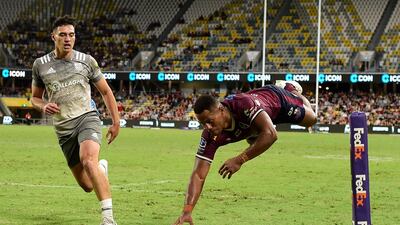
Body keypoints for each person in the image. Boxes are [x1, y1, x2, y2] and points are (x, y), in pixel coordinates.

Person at [173, 81, 317, 225]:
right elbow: (198, 174)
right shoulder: (209, 135)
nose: (208, 127)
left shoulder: (243, 105)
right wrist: (187, 211)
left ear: (221, 110)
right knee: (254, 140)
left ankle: (291, 89)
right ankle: (254, 132)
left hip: (278, 100)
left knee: (311, 119)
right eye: (203, 124)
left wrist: (239, 160)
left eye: (210, 121)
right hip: (254, 122)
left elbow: (271, 135)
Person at [31, 15, 120, 225]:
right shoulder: (40, 65)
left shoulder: (87, 61)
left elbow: (106, 92)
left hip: (86, 118)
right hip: (63, 130)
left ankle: (108, 219)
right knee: (87, 185)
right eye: (62, 34)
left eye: (71, 34)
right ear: (53, 37)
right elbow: (34, 98)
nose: (68, 39)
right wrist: (43, 105)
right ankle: (101, 171)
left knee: (88, 159)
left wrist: (116, 122)